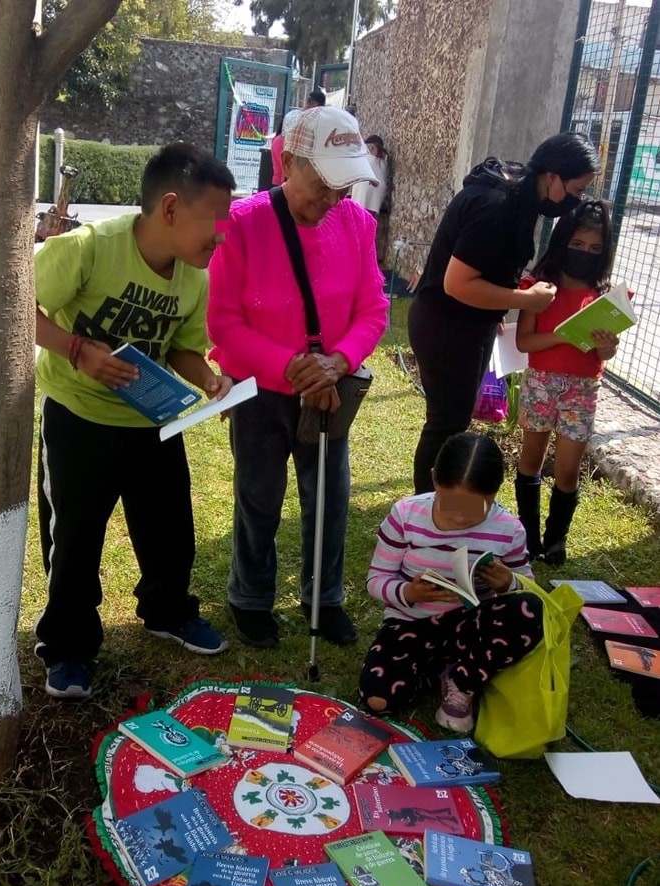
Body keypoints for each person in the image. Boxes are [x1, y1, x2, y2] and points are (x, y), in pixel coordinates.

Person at [33, 142, 236, 700]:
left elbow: (182, 349)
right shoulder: (89, 248)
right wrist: (77, 350)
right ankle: (68, 646)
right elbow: (18, 302)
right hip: (79, 418)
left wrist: (208, 378)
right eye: (214, 221)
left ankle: (168, 611)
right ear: (170, 208)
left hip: (151, 422)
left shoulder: (194, 278)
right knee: (75, 536)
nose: (222, 235)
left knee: (170, 528)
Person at [207, 106, 388, 650]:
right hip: (260, 392)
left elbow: (373, 310)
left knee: (330, 497)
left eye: (344, 184)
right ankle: (251, 597)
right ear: (288, 163)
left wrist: (340, 360)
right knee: (259, 496)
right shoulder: (238, 222)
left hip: (329, 391)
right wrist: (288, 364)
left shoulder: (357, 223)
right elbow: (223, 323)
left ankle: (323, 597)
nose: (333, 198)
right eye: (324, 184)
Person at [408, 132, 601, 495]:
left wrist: (496, 306)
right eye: (576, 189)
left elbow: (489, 267)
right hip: (446, 326)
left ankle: (437, 499)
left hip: (466, 324)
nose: (576, 200)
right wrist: (525, 301)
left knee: (453, 419)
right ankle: (426, 510)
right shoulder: (497, 206)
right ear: (553, 176)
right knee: (445, 423)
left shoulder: (522, 195)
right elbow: (457, 284)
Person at [359, 432, 543, 732]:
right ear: (434, 480)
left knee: (529, 610)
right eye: (450, 505)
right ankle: (443, 671)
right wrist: (409, 592)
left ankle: (462, 682)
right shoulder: (406, 515)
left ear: (495, 494)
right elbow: (376, 579)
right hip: (411, 624)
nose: (459, 520)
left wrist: (508, 583)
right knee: (377, 699)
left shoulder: (508, 529)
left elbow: (527, 588)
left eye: (474, 510)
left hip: (472, 628)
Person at [515, 200, 618, 565]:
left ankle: (556, 539)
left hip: (583, 389)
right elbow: (524, 342)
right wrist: (562, 336)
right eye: (578, 245)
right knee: (531, 461)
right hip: (541, 383)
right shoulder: (539, 289)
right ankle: (527, 538)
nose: (585, 254)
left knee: (568, 469)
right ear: (562, 242)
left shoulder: (604, 296)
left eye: (595, 249)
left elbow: (603, 356)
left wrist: (607, 348)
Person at [351, 135, 389, 260]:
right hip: (373, 201)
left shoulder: (367, 159)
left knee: (360, 230)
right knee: (368, 230)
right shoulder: (382, 161)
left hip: (362, 200)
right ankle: (365, 256)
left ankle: (360, 256)